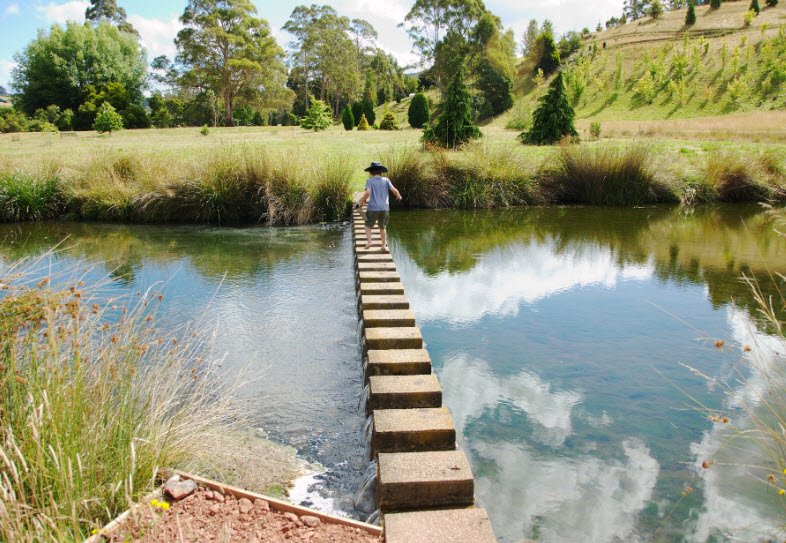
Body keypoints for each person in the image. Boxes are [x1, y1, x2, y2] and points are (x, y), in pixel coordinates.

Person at [357, 161, 402, 251]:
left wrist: (362, 201)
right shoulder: (386, 180)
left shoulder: (369, 181)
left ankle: (370, 242)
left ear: (371, 172)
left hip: (373, 208)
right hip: (385, 208)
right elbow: (393, 189)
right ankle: (383, 245)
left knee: (367, 225)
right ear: (381, 171)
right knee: (382, 227)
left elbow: (368, 192)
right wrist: (398, 195)